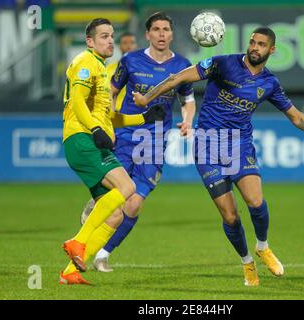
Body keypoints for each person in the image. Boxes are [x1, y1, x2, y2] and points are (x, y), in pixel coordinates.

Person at [133, 27, 304, 286]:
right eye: (252, 42)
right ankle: (247, 263)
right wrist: (146, 98)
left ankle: (263, 247)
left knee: (255, 201)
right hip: (207, 146)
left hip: (239, 145)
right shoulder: (222, 64)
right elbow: (177, 78)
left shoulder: (269, 84)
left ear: (271, 50)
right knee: (230, 216)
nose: (255, 47)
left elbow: (295, 116)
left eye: (261, 44)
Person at [82, 12, 196, 273]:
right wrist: (106, 120)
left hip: (154, 142)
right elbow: (111, 91)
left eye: (166, 29)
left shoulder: (182, 66)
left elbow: (187, 100)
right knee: (117, 196)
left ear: (172, 34)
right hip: (125, 137)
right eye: (156, 29)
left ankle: (102, 253)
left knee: (134, 203)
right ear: (147, 34)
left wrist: (188, 120)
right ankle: (94, 214)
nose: (161, 34)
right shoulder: (130, 60)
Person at [59, 18, 165, 285]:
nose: (110, 41)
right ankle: (78, 241)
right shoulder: (85, 61)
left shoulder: (101, 67)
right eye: (103, 36)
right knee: (128, 187)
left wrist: (143, 118)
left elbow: (111, 117)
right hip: (82, 138)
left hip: (90, 137)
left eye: (111, 35)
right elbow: (78, 103)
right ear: (90, 41)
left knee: (116, 214)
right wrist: (95, 129)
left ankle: (70, 273)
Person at [106, 32, 137, 112]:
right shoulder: (109, 69)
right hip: (115, 113)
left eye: (132, 43)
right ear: (119, 46)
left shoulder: (144, 68)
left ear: (136, 46)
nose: (128, 46)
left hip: (136, 114)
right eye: (125, 43)